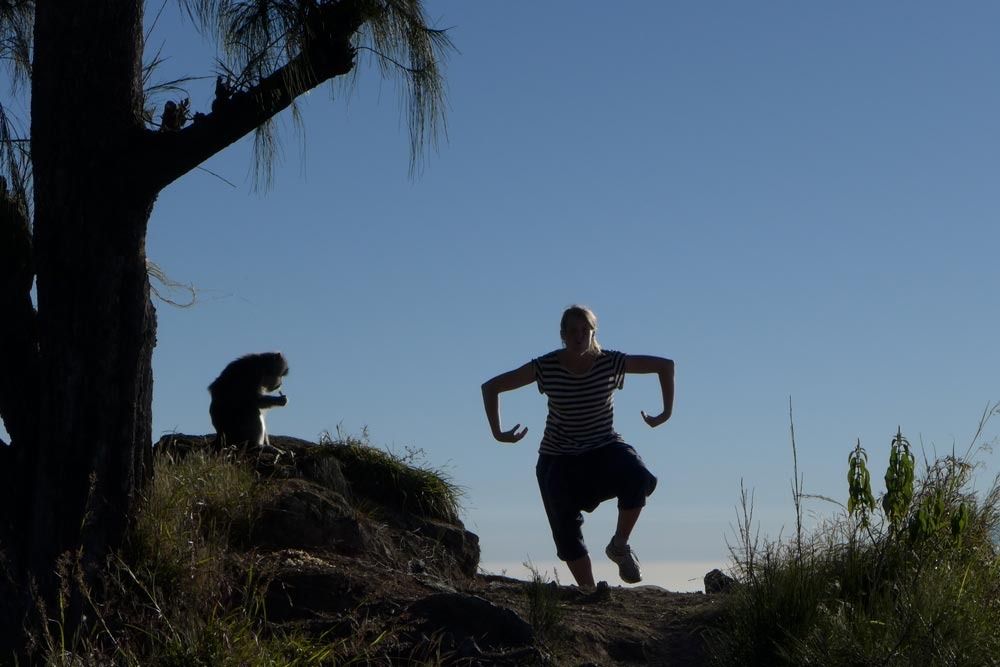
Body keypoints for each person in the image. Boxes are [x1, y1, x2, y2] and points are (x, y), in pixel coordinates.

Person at [481, 305, 674, 589]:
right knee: (565, 528)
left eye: (585, 330)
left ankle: (619, 546)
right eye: (572, 331)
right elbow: (492, 387)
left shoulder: (611, 362)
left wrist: (665, 413)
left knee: (638, 475)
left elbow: (665, 366)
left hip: (604, 448)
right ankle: (590, 592)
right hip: (558, 458)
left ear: (593, 333)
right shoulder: (546, 366)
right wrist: (498, 432)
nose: (579, 336)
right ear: (563, 335)